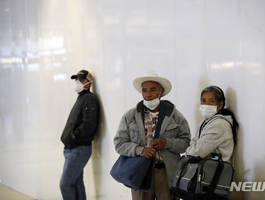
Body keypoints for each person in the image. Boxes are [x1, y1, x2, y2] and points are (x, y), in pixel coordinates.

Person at [114, 70, 191, 200]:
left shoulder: (175, 116)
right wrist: (140, 150)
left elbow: (185, 143)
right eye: (144, 90)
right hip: (140, 173)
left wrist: (167, 143)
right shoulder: (130, 116)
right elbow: (119, 144)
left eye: (153, 90)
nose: (148, 94)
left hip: (166, 173)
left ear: (161, 92)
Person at [60, 69, 99, 200]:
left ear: (89, 83)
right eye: (76, 79)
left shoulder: (89, 99)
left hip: (78, 149)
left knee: (65, 184)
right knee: (76, 182)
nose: (77, 82)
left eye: (81, 80)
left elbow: (89, 125)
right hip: (73, 148)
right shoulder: (82, 98)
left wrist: (73, 137)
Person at [185, 85, 238, 163]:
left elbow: (196, 152)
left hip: (215, 172)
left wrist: (190, 152)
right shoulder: (204, 123)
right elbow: (193, 144)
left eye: (211, 101)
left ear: (220, 105)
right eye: (203, 101)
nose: (206, 104)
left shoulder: (219, 124)